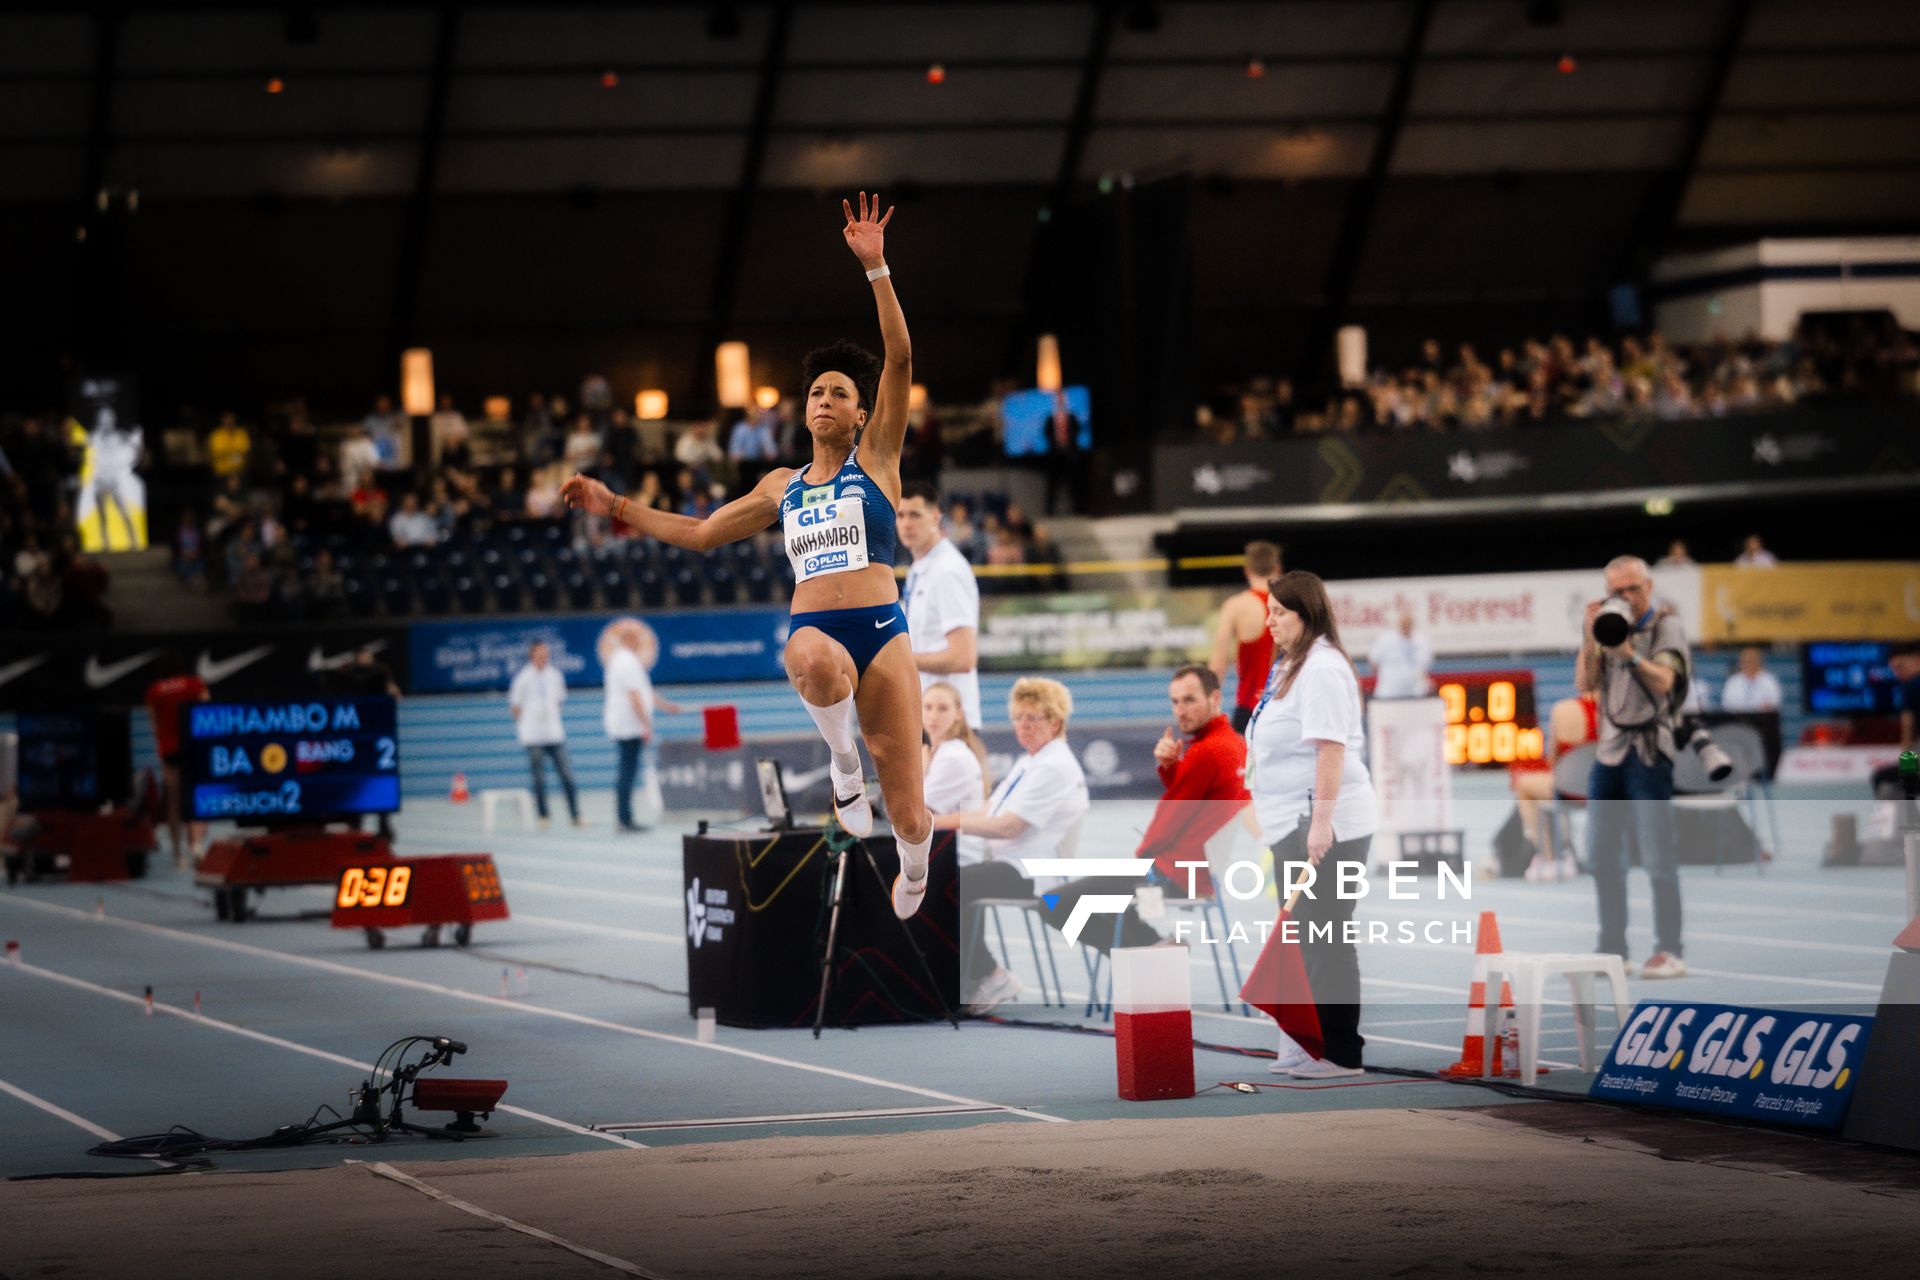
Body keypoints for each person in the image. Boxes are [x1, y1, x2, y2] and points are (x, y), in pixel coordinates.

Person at [562, 192, 935, 918]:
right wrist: (618, 508)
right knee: (811, 657)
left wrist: (877, 268)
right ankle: (841, 765)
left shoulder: (879, 459)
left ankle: (915, 863)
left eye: (839, 394)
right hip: (819, 633)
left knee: (911, 807)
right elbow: (702, 535)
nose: (825, 399)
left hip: (885, 635)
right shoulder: (780, 485)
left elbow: (899, 355)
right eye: (816, 392)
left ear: (862, 414)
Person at [1245, 570, 1377, 1078]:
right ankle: (1311, 1040)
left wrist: (1322, 824)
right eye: (1270, 610)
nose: (1269, 620)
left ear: (1307, 614)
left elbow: (1331, 749)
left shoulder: (1321, 668)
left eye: (1280, 612)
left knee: (1327, 934)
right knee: (1303, 935)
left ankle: (1343, 1052)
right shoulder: (1290, 665)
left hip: (1325, 821)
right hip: (1291, 820)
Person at [1043, 664, 1250, 963]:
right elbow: (1198, 801)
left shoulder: (1206, 752)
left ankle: (1142, 953)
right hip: (1201, 874)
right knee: (1108, 898)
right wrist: (1171, 767)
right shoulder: (1233, 745)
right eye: (1175, 701)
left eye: (1190, 700)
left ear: (1215, 699)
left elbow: (1170, 820)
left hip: (1171, 874)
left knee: (1052, 903)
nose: (1180, 710)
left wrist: (1140, 859)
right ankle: (1150, 945)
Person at [930, 677, 1090, 1014]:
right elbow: (988, 811)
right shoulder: (1030, 760)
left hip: (1033, 871)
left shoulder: (1054, 764)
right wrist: (938, 822)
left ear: (1055, 722)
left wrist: (936, 822)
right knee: (955, 877)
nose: (1023, 726)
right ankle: (974, 975)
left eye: (1033, 718)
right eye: (1018, 717)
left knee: (958, 881)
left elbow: (1007, 826)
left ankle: (987, 975)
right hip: (1014, 863)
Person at [1577, 555, 1691, 980]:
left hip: (1649, 753)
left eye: (1633, 589)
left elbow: (1666, 682)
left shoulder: (1666, 625)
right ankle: (1612, 949)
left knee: (1658, 856)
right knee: (1602, 856)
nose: (1625, 598)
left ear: (1649, 586)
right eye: (1617, 591)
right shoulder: (1605, 623)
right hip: (1608, 754)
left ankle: (1670, 950)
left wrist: (1627, 653)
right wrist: (1591, 639)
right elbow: (1586, 685)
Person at [897, 480, 982, 729]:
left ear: (936, 517)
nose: (906, 523)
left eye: (915, 515)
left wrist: (899, 660)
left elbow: (963, 657)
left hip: (952, 723)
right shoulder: (919, 568)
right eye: (900, 515)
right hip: (928, 716)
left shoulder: (947, 571)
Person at [601, 620, 682, 832]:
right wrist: (646, 724)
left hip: (628, 723)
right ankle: (625, 819)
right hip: (629, 725)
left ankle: (625, 817)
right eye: (636, 639)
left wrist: (665, 706)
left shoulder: (626, 660)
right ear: (628, 639)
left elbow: (643, 690)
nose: (639, 643)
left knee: (626, 770)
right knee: (626, 772)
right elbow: (634, 695)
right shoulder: (626, 662)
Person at [143, 652, 210, 867]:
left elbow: (154, 723)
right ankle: (196, 845)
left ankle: (177, 854)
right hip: (193, 747)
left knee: (174, 802)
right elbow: (206, 709)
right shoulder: (194, 684)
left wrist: (161, 750)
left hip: (169, 750)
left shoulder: (155, 691)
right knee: (197, 797)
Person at [510, 641, 584, 829]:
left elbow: (559, 702)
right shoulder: (523, 678)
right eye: (540, 654)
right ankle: (543, 816)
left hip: (554, 734)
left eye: (546, 653)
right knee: (539, 778)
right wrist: (526, 726)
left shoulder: (555, 675)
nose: (544, 657)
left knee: (567, 776)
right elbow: (515, 706)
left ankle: (575, 815)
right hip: (533, 736)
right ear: (532, 655)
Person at [1210, 541, 1282, 732]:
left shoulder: (1236, 606)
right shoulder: (1290, 605)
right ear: (1278, 569)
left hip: (1249, 708)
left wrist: (1210, 707)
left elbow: (1219, 662)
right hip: (1285, 707)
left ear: (1247, 570)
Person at [921, 682, 986, 816]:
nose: (933, 716)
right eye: (927, 707)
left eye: (943, 708)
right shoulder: (940, 752)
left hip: (955, 836)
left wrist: (920, 773)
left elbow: (917, 816)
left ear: (958, 714)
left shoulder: (953, 757)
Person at [1366, 609, 1433, 700]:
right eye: (1403, 623)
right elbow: (1373, 661)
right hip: (1390, 693)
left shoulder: (1421, 642)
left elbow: (1424, 668)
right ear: (1399, 623)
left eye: (1408, 623)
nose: (1406, 625)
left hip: (1415, 692)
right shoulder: (1386, 640)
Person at [1720, 646, 1781, 713]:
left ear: (1759, 661)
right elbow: (1726, 704)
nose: (1750, 662)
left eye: (1753, 659)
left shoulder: (1769, 680)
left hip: (1762, 719)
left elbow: (1774, 703)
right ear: (1741, 662)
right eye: (1747, 660)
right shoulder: (1733, 681)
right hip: (1737, 719)